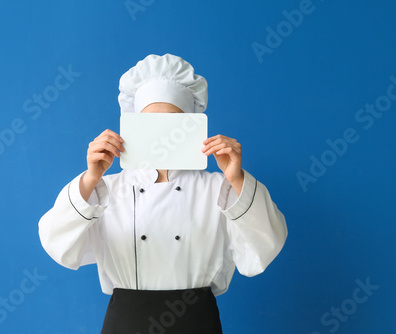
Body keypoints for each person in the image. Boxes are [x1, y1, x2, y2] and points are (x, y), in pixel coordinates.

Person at [38, 54, 288, 333]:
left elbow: (266, 245)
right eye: (149, 122)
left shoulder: (219, 188)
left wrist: (237, 178)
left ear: (191, 125)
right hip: (126, 323)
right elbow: (56, 243)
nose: (162, 133)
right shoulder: (106, 189)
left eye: (172, 122)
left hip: (197, 322)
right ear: (132, 125)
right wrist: (91, 177)